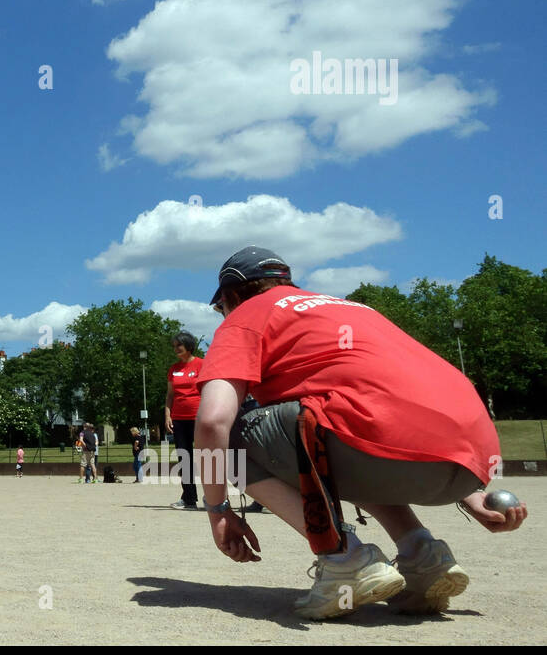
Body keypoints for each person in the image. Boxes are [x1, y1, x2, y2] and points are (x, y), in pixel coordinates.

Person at [193, 246, 529, 619]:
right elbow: (412, 402)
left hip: (384, 446)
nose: (221, 314)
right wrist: (470, 490)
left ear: (231, 295)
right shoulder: (351, 309)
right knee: (331, 428)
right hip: (468, 458)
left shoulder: (247, 315)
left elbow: (212, 422)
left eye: (219, 307)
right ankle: (422, 554)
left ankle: (344, 557)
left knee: (236, 436)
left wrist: (218, 511)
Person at [165, 332, 205, 508]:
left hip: (199, 418)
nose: (175, 349)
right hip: (179, 420)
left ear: (188, 346)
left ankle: (217, 497)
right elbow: (170, 395)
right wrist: (167, 415)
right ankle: (189, 498)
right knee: (184, 459)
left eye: (178, 346)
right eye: (174, 346)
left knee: (209, 457)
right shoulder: (174, 369)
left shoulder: (202, 365)